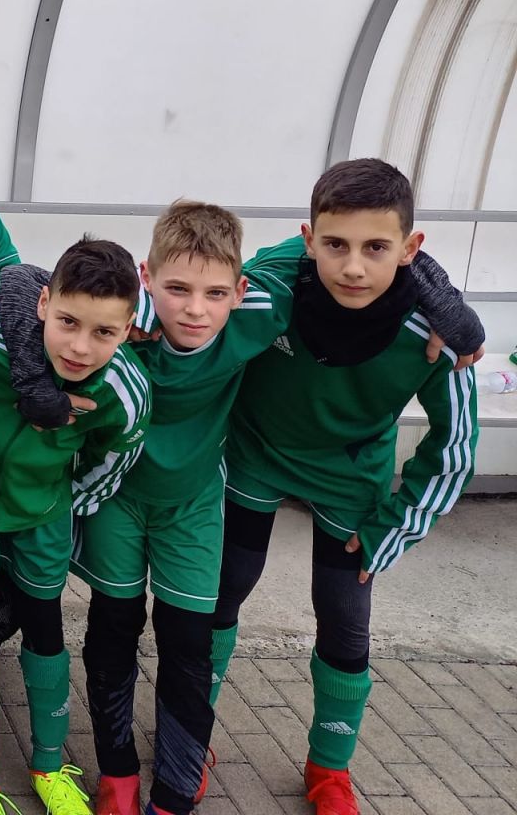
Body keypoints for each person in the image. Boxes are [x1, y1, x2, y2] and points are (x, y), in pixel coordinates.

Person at [212, 159, 482, 815]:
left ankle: (329, 769)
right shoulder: (274, 284)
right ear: (309, 239)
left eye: (376, 248)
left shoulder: (437, 333)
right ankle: (191, 738)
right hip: (255, 454)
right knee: (222, 591)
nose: (353, 266)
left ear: (411, 249)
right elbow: (194, 299)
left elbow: (456, 446)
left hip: (350, 479)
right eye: (335, 244)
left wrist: (396, 526)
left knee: (344, 618)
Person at [0, 239, 152, 815]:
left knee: (46, 633)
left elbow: (113, 459)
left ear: (128, 330)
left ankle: (50, 766)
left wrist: (66, 501)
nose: (80, 347)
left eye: (103, 333)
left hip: (45, 515)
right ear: (43, 304)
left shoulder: (126, 391)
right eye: (68, 322)